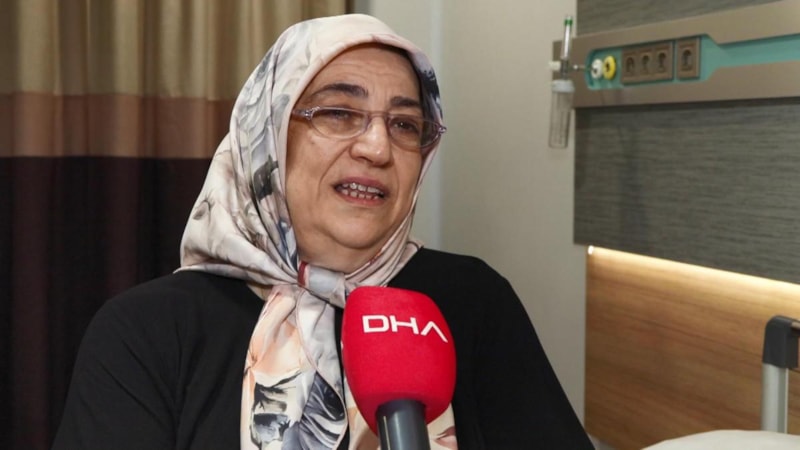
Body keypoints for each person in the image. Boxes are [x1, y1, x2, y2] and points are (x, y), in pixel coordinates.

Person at [53, 13, 593, 450]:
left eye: (405, 124)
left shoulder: (473, 301)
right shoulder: (148, 331)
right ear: (266, 136)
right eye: (338, 113)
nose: (377, 148)